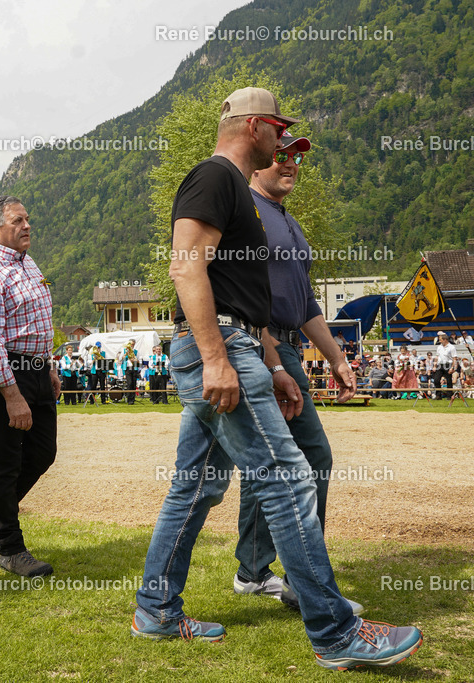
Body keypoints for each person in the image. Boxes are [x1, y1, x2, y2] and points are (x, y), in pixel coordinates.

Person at [132, 87, 422, 670]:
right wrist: (217, 359)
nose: (282, 142)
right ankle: (336, 633)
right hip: (220, 347)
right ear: (255, 127)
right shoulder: (216, 176)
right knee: (288, 479)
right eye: (278, 129)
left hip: (239, 344)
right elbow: (186, 268)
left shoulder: (236, 188)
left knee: (195, 486)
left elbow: (245, 296)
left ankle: (156, 610)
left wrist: (271, 365)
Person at [234, 131, 362, 614]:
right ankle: (303, 580)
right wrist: (269, 357)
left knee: (264, 462)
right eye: (281, 155)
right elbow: (243, 295)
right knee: (313, 456)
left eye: (297, 158)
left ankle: (252, 572)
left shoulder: (289, 221)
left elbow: (306, 303)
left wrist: (336, 358)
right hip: (263, 346)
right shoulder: (246, 211)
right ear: (259, 158)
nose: (290, 164)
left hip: (288, 346)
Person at [0, 195, 59, 578]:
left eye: (27, 219)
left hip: (37, 370)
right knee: (5, 465)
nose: (27, 225)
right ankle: (10, 547)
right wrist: (12, 394)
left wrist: (48, 366)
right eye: (17, 221)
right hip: (7, 373)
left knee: (43, 453)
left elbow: (38, 321)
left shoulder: (26, 262)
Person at [431, 331, 458, 399]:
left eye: (440, 340)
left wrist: (452, 367)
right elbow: (437, 357)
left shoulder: (451, 347)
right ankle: (438, 395)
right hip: (440, 365)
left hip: (448, 364)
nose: (439, 341)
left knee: (449, 380)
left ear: (445, 340)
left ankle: (449, 395)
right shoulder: (439, 347)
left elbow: (454, 358)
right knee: (436, 380)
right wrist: (434, 366)